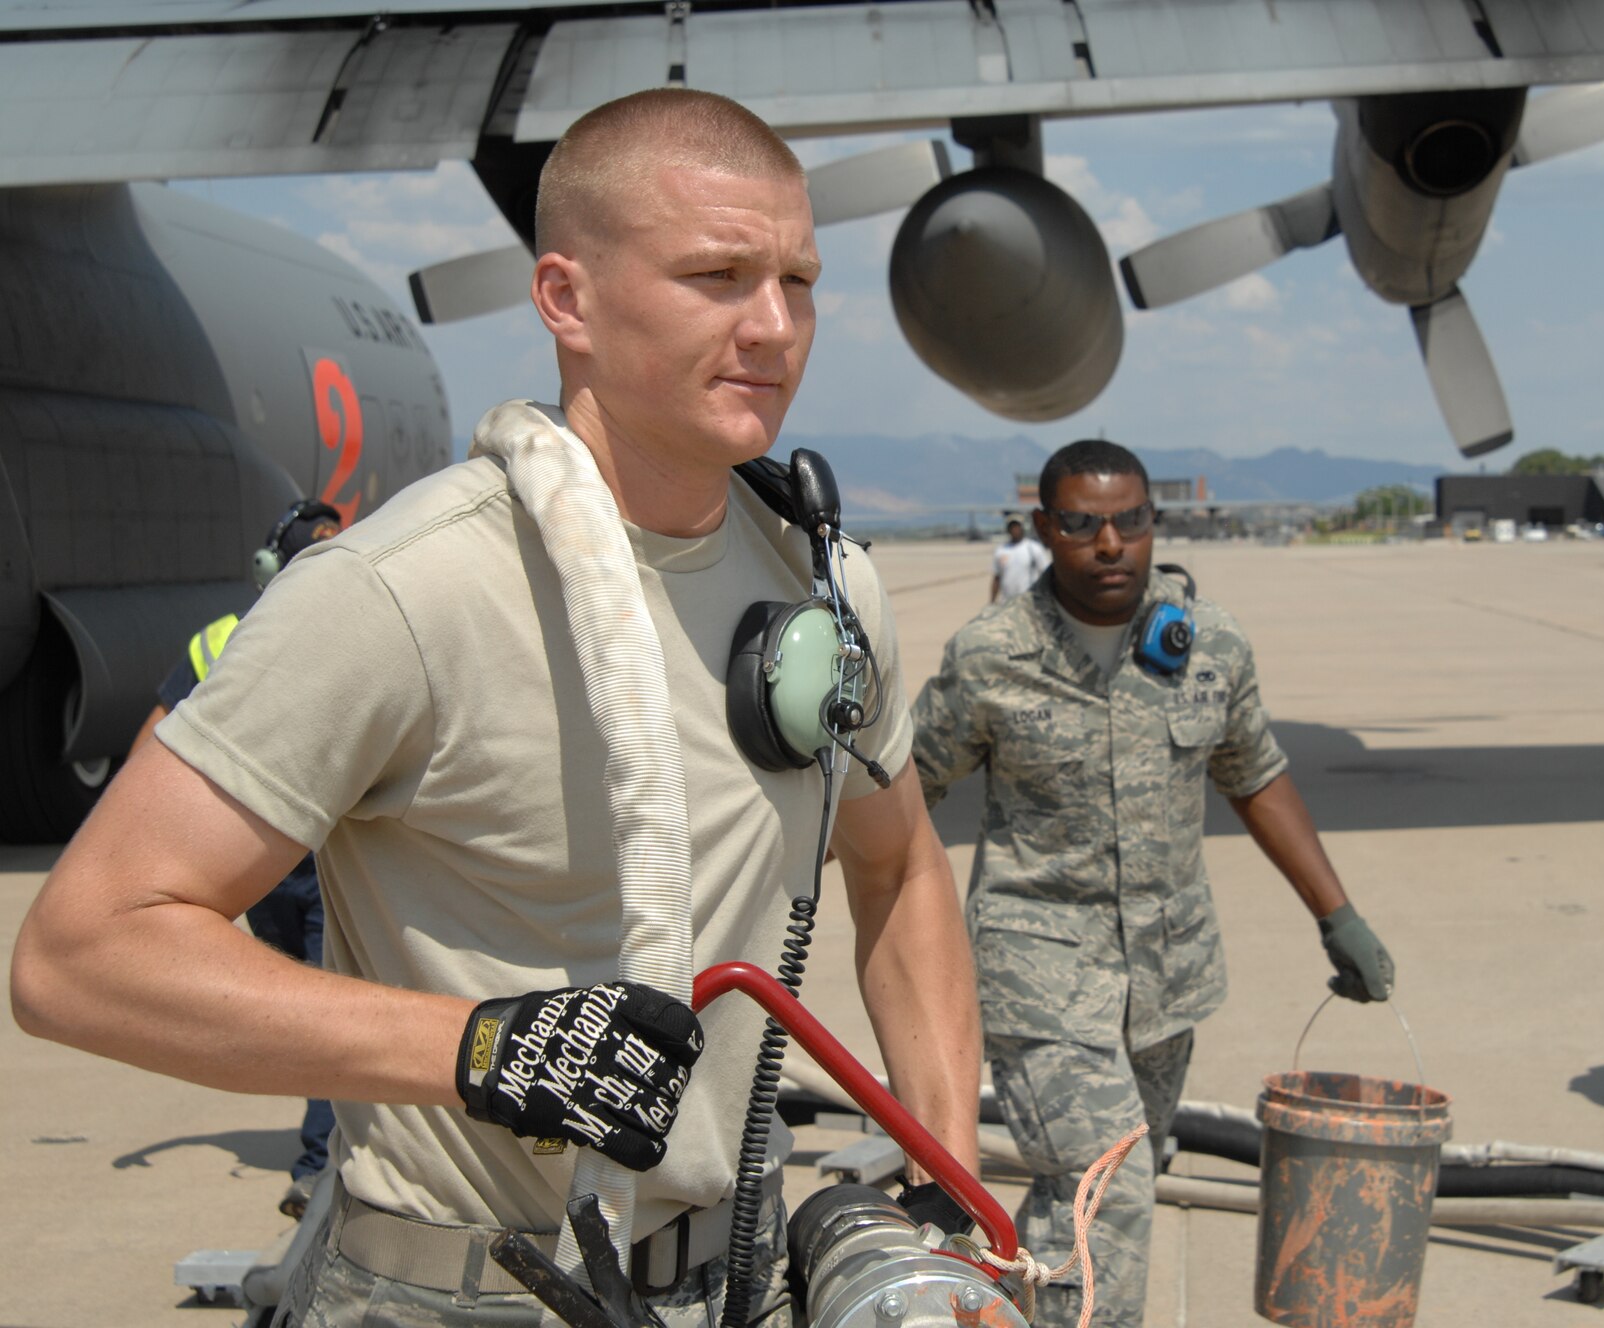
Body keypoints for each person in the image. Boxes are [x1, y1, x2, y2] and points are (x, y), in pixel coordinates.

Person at [12, 88, 981, 1325]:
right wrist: (483, 1049)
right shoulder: (405, 588)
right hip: (456, 1290)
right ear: (565, 299)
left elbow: (898, 873)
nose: (774, 327)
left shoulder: (824, 585)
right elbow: (81, 953)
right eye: (717, 275)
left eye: (797, 279)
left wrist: (946, 1172)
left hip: (730, 1284)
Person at [909, 438, 1395, 1328]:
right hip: (1040, 976)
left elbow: (1255, 773)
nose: (1109, 543)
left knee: (1117, 1183)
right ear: (1047, 528)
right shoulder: (991, 656)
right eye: (1085, 523)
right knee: (1107, 1188)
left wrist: (1339, 916)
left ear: (1152, 524)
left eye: (1130, 521)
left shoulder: (1209, 646)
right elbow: (902, 791)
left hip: (1166, 980)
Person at [126, 498, 345, 1219]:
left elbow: (154, 740)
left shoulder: (224, 637)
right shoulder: (334, 627)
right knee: (298, 1004)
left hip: (281, 864)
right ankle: (329, 1145)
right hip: (287, 861)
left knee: (316, 1004)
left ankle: (318, 1163)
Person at [990, 517, 1050, 602]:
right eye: (1012, 527)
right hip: (1006, 602)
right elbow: (997, 577)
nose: (1015, 530)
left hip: (1029, 601)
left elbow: (1046, 573)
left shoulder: (1033, 548)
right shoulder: (1001, 550)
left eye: (1017, 527)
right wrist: (992, 601)